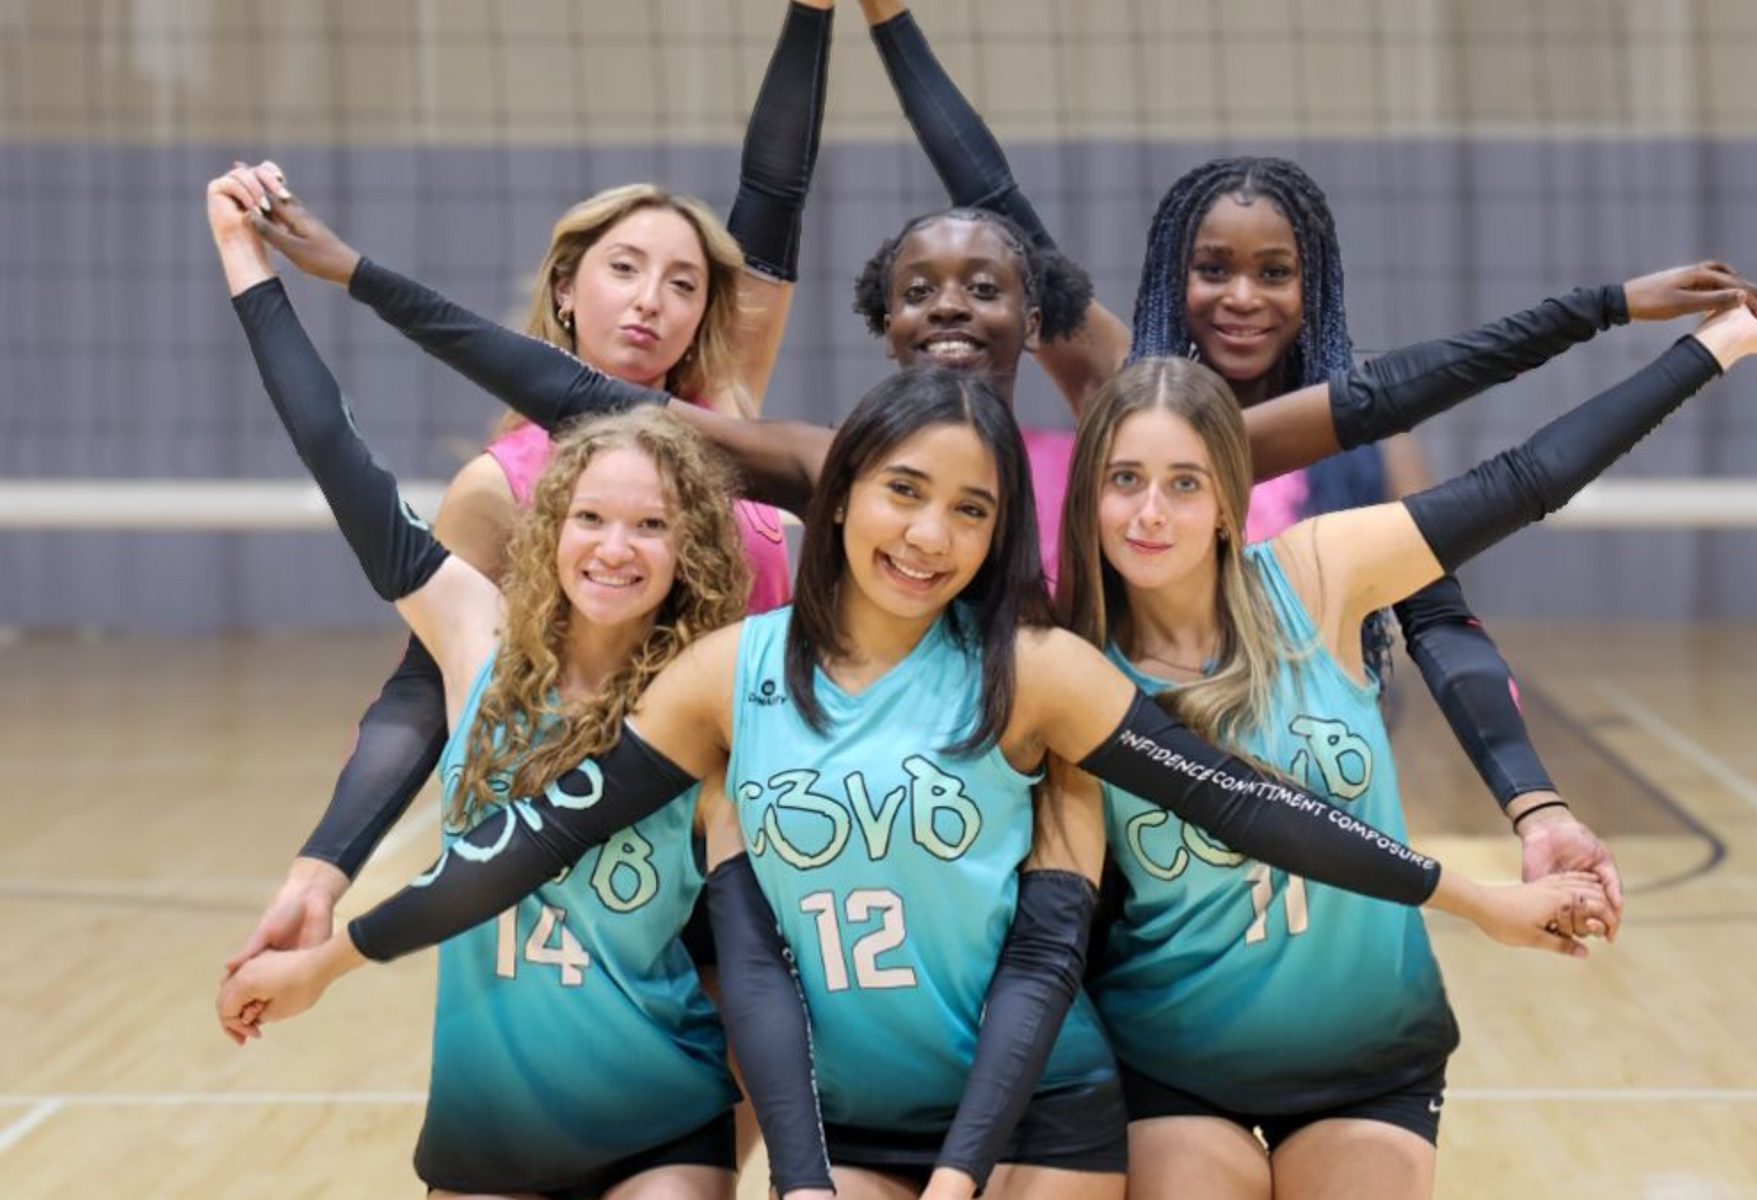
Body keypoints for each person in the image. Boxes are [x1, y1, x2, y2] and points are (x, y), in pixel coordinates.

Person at [218, 363, 1616, 1199]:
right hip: (847, 1122)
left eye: (971, 508)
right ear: (842, 497)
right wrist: (329, 960)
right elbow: (526, 845)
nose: (930, 534)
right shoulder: (725, 678)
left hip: (1041, 1107)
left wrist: (1475, 898)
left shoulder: (1035, 671)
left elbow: (1239, 800)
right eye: (902, 490)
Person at [848, 0, 1757, 910]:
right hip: (1133, 787)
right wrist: (887, 16)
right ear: (1176, 277)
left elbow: (1440, 619)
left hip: (1306, 776)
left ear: (1313, 284)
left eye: (1274, 273)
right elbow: (996, 199)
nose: (1241, 299)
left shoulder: (1368, 435)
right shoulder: (1128, 392)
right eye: (1213, 270)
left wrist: (1530, 798)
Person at [1053, 305, 1757, 1199]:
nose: (1150, 512)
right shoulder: (1074, 670)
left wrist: (1712, 348)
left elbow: (1525, 481)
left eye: (1183, 483)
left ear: (1227, 498)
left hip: (1370, 1050)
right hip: (1172, 1061)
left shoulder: (1314, 574)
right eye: (1125, 480)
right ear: (1089, 493)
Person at [223, 0, 834, 1001]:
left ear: (703, 318)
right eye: (624, 269)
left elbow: (772, 194)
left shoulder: (726, 421)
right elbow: (425, 689)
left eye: (683, 284)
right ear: (564, 289)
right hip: (610, 846)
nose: (651, 299)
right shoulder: (503, 484)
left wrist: (812, 12)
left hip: (758, 824)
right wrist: (322, 868)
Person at [208, 165, 759, 1200]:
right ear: (546, 526)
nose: (614, 548)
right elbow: (331, 447)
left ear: (690, 544)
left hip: (663, 1103)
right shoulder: (475, 635)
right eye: (590, 519)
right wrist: (247, 262)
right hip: (489, 1119)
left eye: (649, 525)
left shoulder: (702, 692)